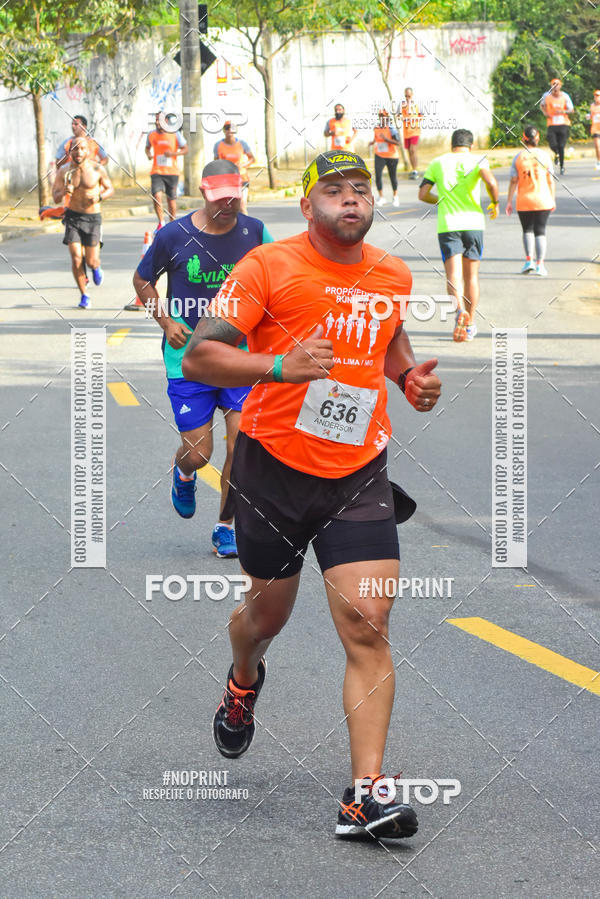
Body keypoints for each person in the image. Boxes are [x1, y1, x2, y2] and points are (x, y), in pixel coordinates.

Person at [181, 149, 442, 839]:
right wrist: (279, 364)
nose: (350, 199)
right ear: (307, 205)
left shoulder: (392, 273)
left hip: (358, 471)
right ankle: (243, 681)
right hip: (273, 469)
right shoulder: (268, 266)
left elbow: (389, 342)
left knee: (368, 620)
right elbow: (199, 355)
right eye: (333, 189)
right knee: (264, 618)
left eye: (360, 188)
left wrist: (410, 378)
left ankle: (365, 794)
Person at [132, 159, 273, 558]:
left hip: (239, 355)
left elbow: (278, 276)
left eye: (233, 198)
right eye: (217, 199)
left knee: (241, 448)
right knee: (200, 452)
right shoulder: (172, 235)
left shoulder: (256, 232)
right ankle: (184, 471)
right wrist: (164, 320)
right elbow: (143, 280)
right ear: (202, 191)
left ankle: (225, 526)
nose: (225, 206)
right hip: (188, 357)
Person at [418, 128, 499, 342]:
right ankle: (470, 323)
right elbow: (491, 183)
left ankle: (459, 312)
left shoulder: (438, 162)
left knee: (453, 275)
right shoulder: (478, 160)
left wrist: (441, 201)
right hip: (473, 223)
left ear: (451, 144)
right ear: (470, 145)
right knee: (471, 276)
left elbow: (423, 194)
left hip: (448, 225)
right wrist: (495, 202)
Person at [52, 137, 114, 309]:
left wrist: (99, 196)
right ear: (70, 151)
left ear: (88, 151)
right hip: (72, 218)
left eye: (82, 149)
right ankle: (84, 295)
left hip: (93, 218)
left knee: (91, 260)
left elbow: (110, 188)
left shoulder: (97, 168)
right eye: (75, 149)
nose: (78, 152)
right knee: (76, 257)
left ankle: (95, 268)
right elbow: (55, 197)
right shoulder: (63, 171)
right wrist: (64, 191)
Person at [505, 126, 555, 277]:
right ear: (538, 138)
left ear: (523, 139)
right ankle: (540, 265)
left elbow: (514, 181)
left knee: (527, 230)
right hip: (543, 199)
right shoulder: (545, 156)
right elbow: (550, 180)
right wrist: (552, 199)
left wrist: (508, 201)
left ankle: (529, 261)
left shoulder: (518, 157)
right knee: (540, 232)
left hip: (524, 200)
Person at [145, 112, 188, 230]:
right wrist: (149, 154)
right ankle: (161, 222)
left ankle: (172, 223)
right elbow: (147, 148)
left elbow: (185, 149)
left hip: (172, 171)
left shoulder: (175, 134)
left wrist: (173, 154)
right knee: (156, 195)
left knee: (171, 200)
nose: (157, 122)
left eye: (160, 120)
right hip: (157, 171)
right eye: (156, 120)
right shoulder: (151, 135)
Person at [213, 122, 256, 214]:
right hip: (226, 180)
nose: (229, 130)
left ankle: (246, 227)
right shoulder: (218, 145)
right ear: (224, 130)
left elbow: (252, 158)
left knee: (242, 206)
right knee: (229, 208)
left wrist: (243, 165)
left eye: (232, 128)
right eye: (227, 128)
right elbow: (216, 162)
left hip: (241, 178)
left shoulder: (242, 144)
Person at [540, 78, 574, 175]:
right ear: (551, 86)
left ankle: (562, 166)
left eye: (557, 84)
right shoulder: (546, 96)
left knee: (561, 146)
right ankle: (556, 153)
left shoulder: (565, 96)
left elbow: (571, 110)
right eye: (553, 84)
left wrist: (563, 111)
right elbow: (542, 105)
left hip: (563, 123)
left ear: (560, 86)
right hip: (552, 123)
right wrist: (545, 113)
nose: (555, 86)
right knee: (553, 144)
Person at [368, 110, 401, 207]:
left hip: (391, 156)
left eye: (384, 115)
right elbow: (376, 138)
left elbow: (398, 142)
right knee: (378, 175)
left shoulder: (391, 128)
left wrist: (386, 139)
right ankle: (381, 197)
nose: (382, 117)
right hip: (379, 155)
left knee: (392, 176)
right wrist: (372, 142)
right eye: (380, 115)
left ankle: (395, 197)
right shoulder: (376, 128)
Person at [399, 88, 423, 180]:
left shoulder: (416, 105)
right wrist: (402, 118)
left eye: (408, 96)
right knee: (409, 151)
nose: (407, 98)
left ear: (412, 95)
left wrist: (414, 120)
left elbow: (422, 116)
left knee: (413, 150)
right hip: (406, 132)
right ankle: (413, 171)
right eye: (405, 96)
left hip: (415, 130)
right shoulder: (402, 105)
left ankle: (415, 170)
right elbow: (398, 115)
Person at [585, 89, 600, 170]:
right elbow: (591, 115)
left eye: (598, 95)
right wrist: (588, 116)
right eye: (595, 96)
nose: (597, 97)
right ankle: (598, 161)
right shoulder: (592, 106)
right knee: (597, 146)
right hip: (595, 128)